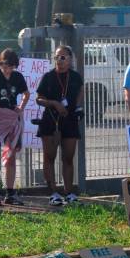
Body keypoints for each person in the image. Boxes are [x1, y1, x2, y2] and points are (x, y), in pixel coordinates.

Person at [36, 45, 84, 206]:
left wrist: (78, 107)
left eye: (63, 57)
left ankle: (68, 192)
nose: (59, 60)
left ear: (70, 59)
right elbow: (39, 99)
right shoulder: (48, 77)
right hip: (50, 121)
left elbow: (80, 92)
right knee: (49, 157)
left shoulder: (76, 77)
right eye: (57, 57)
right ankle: (53, 192)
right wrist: (54, 103)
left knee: (68, 158)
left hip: (69, 120)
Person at [0, 49, 29, 206]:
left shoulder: (18, 77)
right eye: (3, 64)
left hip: (12, 121)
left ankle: (10, 193)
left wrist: (20, 108)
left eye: (10, 65)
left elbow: (26, 94)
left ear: (15, 65)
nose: (7, 68)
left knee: (10, 157)